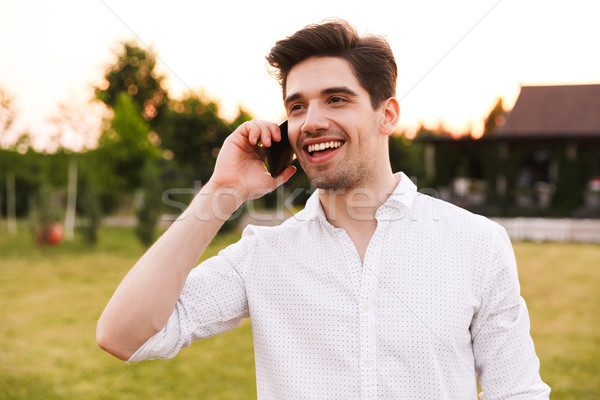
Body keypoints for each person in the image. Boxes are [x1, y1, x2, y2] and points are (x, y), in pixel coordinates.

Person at [97, 19, 550, 399]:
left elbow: (517, 391)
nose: (311, 121)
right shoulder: (263, 255)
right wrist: (223, 190)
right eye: (297, 106)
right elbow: (123, 336)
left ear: (387, 114)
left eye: (336, 99)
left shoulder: (475, 243)